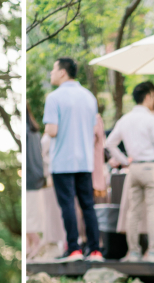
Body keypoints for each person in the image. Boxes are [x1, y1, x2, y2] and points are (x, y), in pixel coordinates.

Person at [43, 57, 103, 261]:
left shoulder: (54, 98)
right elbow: (95, 130)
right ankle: (95, 250)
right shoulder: (89, 97)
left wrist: (46, 129)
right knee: (88, 205)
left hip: (62, 161)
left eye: (53, 69)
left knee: (68, 205)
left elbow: (52, 130)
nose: (51, 73)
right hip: (84, 160)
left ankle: (74, 249)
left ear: (62, 72)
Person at [105, 81, 154, 262]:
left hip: (133, 168)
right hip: (151, 166)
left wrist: (125, 161)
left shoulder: (125, 119)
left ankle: (133, 252)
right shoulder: (151, 119)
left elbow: (109, 143)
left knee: (133, 211)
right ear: (148, 96)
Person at [26, 104, 46, 258]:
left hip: (29, 178)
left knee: (29, 217)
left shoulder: (27, 131)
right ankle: (30, 247)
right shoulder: (35, 132)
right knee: (31, 215)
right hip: (36, 177)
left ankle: (36, 244)